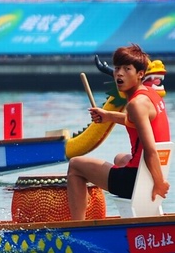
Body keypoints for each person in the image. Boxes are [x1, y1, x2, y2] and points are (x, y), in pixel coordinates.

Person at [67, 45, 170, 220]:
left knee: (75, 165)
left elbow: (150, 149)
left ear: (140, 74)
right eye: (117, 68)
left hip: (135, 180)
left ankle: (77, 226)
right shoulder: (150, 95)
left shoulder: (135, 104)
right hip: (153, 170)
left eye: (127, 69)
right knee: (120, 158)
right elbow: (133, 120)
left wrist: (159, 184)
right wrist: (108, 116)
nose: (119, 74)